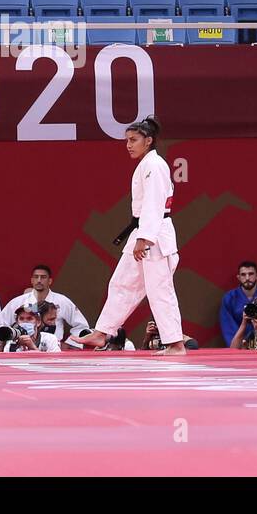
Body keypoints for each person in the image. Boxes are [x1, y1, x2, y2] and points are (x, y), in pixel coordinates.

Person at [74, 116, 187, 356]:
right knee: (121, 283)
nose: (128, 145)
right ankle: (103, 332)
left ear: (148, 141)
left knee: (160, 290)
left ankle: (176, 343)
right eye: (127, 140)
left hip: (155, 235)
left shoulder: (155, 165)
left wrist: (144, 238)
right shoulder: (146, 165)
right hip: (143, 230)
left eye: (134, 140)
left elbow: (154, 206)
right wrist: (140, 236)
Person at [0, 264, 90, 342]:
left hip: (54, 350)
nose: (39, 280)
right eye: (36, 277)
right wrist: (8, 345)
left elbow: (81, 326)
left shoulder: (62, 301)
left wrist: (69, 344)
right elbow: (1, 324)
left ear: (50, 281)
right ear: (32, 280)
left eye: (43, 277)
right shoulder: (18, 302)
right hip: (23, 349)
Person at [219, 261, 257, 346]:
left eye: (251, 274)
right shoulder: (229, 298)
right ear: (238, 277)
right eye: (243, 275)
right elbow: (228, 328)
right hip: (239, 348)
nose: (247, 278)